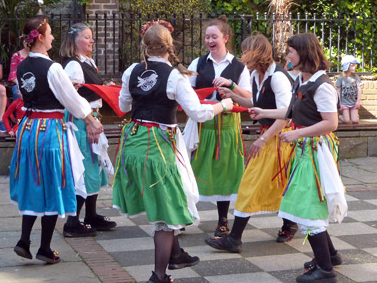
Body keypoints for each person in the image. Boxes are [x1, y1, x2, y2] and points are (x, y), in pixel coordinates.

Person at [113, 21, 234, 283]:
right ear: (170, 45)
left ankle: (177, 255)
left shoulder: (132, 70)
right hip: (159, 145)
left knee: (168, 196)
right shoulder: (175, 76)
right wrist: (224, 105)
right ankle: (158, 275)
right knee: (166, 212)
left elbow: (123, 105)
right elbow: (199, 113)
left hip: (133, 143)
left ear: (145, 45)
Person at [250, 33, 346, 283]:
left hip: (315, 153)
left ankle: (326, 271)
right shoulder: (301, 81)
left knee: (306, 205)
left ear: (304, 54)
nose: (287, 55)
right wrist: (264, 111)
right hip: (305, 150)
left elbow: (331, 123)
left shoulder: (322, 85)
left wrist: (297, 134)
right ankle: (330, 257)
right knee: (305, 202)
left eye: (291, 51)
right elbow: (291, 111)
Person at [9, 16, 103, 264]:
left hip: (28, 129)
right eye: (50, 33)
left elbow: (30, 93)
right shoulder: (53, 68)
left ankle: (23, 240)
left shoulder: (21, 66)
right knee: (53, 184)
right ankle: (45, 248)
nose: (52, 37)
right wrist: (92, 119)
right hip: (49, 130)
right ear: (39, 37)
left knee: (32, 182)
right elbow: (71, 99)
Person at [205, 34, 297, 253]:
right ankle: (289, 224)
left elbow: (286, 115)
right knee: (280, 184)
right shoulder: (257, 74)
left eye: (246, 51)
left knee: (250, 184)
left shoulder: (277, 77)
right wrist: (232, 95)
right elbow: (256, 103)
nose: (242, 56)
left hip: (279, 138)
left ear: (258, 53)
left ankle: (234, 238)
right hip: (271, 136)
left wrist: (263, 139)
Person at [186, 15, 252, 237]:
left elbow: (249, 96)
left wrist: (231, 87)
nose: (209, 41)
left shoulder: (239, 66)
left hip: (228, 124)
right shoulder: (197, 63)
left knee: (225, 169)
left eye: (214, 36)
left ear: (225, 38)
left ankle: (223, 220)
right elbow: (186, 91)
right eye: (206, 37)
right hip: (203, 123)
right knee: (193, 168)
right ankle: (185, 214)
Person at [60, 23, 116, 237]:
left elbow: (87, 91)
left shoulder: (87, 62)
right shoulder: (73, 66)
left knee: (95, 168)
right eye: (87, 37)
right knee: (84, 168)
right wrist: (89, 122)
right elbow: (72, 99)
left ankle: (90, 215)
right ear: (75, 41)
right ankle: (72, 222)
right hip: (82, 120)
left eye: (91, 37)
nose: (92, 41)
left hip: (92, 118)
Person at [336, 55, 362, 124]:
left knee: (355, 121)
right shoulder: (341, 78)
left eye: (354, 65)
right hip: (344, 103)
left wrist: (358, 101)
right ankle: (341, 117)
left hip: (353, 102)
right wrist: (339, 103)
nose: (354, 67)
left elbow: (359, 89)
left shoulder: (356, 77)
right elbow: (338, 90)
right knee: (347, 121)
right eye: (352, 65)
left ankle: (356, 116)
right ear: (346, 66)